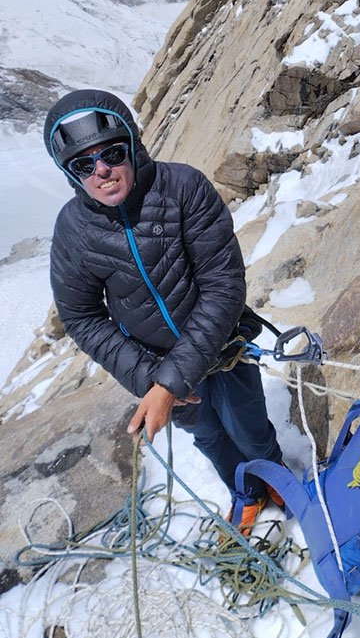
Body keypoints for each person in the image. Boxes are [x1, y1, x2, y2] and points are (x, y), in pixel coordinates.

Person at [44, 88, 283, 534]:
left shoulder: (181, 188)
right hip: (152, 366)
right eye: (83, 164)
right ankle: (246, 491)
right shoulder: (74, 230)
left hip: (221, 346)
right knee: (209, 436)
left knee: (248, 425)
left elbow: (223, 284)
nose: (103, 171)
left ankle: (276, 477)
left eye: (112, 154)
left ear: (131, 146)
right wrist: (150, 379)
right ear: (70, 173)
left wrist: (169, 382)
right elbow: (81, 317)